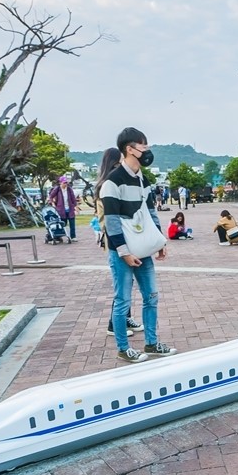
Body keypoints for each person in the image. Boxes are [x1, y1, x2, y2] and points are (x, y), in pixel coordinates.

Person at [100, 127, 176, 363]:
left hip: (143, 249)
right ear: (129, 149)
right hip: (122, 252)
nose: (147, 151)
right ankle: (123, 348)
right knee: (122, 300)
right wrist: (124, 253)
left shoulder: (144, 179)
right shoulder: (112, 183)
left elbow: (150, 211)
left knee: (151, 296)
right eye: (143, 146)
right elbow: (111, 224)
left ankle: (151, 343)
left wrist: (160, 240)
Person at [95, 146, 142, 336]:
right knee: (122, 285)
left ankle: (125, 319)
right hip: (116, 242)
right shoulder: (108, 185)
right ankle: (114, 324)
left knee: (127, 283)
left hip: (124, 239)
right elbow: (109, 220)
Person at [47, 175, 78, 241]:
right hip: (61, 210)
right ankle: (59, 236)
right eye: (64, 183)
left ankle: (73, 237)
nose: (65, 184)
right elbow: (51, 196)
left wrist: (76, 207)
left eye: (66, 182)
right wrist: (52, 203)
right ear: (60, 183)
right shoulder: (57, 189)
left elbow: (73, 198)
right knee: (62, 224)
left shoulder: (69, 189)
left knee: (72, 224)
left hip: (70, 209)